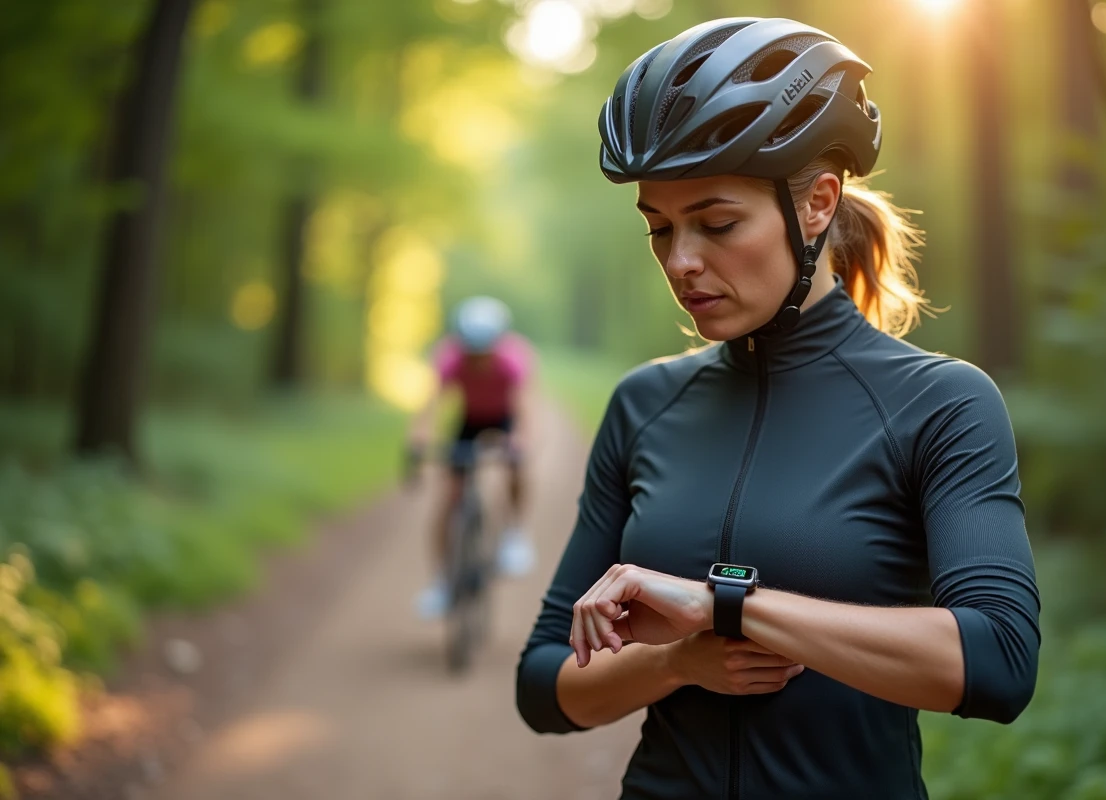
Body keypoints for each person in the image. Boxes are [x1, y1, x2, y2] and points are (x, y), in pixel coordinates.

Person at [516, 17, 1040, 799]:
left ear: (819, 204)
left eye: (718, 223)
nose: (682, 261)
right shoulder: (646, 405)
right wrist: (673, 663)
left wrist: (726, 606)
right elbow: (543, 686)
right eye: (660, 229)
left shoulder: (939, 403)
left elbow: (997, 661)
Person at [409, 295, 537, 619]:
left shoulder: (512, 360)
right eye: (471, 352)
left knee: (517, 467)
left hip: (503, 417)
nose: (477, 359)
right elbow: (431, 404)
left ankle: (514, 535)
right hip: (470, 419)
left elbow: (522, 410)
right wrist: (419, 439)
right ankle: (441, 583)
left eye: (484, 352)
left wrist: (519, 440)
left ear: (497, 345)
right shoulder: (450, 359)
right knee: (449, 498)